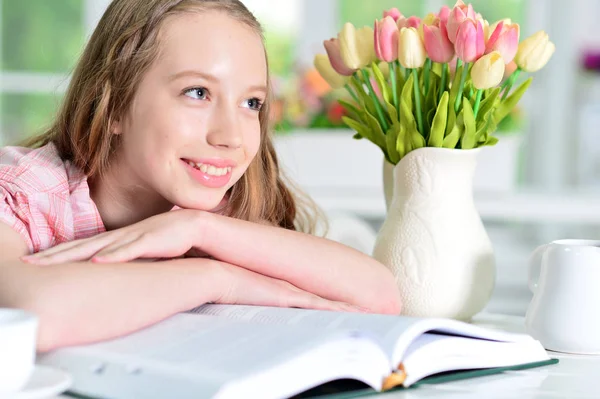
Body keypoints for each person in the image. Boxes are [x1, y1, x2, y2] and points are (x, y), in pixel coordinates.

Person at [0, 0, 401, 352]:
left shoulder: (218, 208)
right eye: (197, 92)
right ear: (115, 105)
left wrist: (200, 229)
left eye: (251, 102)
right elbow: (32, 315)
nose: (230, 137)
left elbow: (380, 296)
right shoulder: (27, 192)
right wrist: (216, 277)